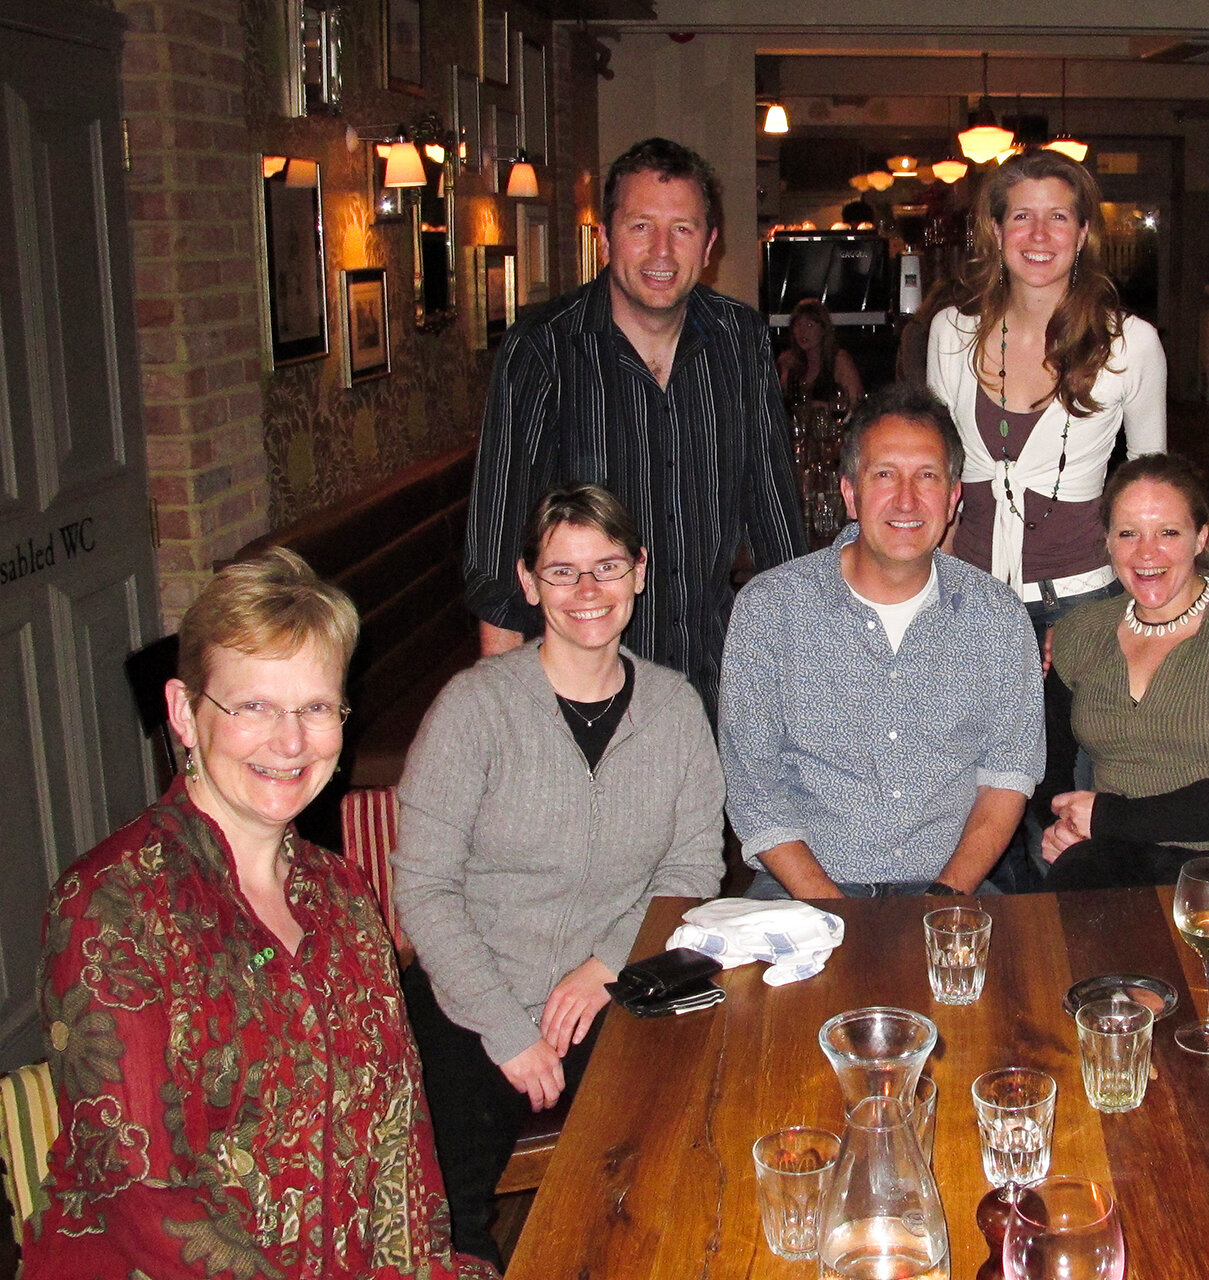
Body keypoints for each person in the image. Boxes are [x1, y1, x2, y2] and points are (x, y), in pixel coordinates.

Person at [27, 550, 491, 1279]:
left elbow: (400, 1132)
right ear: (184, 712)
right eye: (253, 707)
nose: (290, 741)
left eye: (315, 707)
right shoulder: (112, 905)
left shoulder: (342, 894)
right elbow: (143, 1196)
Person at [398, 484, 724, 1267]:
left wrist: (603, 964)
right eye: (562, 572)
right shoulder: (474, 709)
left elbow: (693, 868)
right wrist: (506, 1030)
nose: (587, 592)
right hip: (472, 991)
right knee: (446, 1217)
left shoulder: (675, 710)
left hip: (616, 985)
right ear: (527, 582)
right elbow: (424, 888)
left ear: (639, 573)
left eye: (607, 567)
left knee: (670, 1167)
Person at [463, 136, 805, 720]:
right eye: (641, 226)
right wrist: (509, 719)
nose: (662, 252)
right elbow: (499, 554)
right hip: (584, 692)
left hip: (718, 685)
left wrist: (800, 680)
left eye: (683, 229)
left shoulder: (741, 340)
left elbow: (777, 526)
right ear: (604, 238)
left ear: (710, 243)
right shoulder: (544, 349)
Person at [719, 383, 1043, 898]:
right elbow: (756, 790)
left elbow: (1008, 774)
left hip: (952, 886)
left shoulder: (995, 616)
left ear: (954, 496)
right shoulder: (770, 610)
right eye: (885, 475)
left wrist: (947, 895)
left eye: (928, 477)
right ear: (850, 493)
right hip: (801, 889)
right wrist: (835, 911)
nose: (907, 499)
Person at [1038, 453, 1209, 970]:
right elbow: (1046, 761)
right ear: (1108, 542)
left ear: (1202, 537)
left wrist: (1110, 817)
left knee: (1173, 991)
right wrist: (1059, 822)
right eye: (1128, 534)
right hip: (1118, 855)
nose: (1146, 554)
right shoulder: (1079, 633)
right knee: (1071, 979)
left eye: (1169, 533)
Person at [925, 147, 1167, 642]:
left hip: (1081, 604)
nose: (1039, 235)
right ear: (997, 232)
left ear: (1081, 234)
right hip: (968, 600)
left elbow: (1154, 496)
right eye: (1022, 216)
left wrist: (1110, 621)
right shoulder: (950, 335)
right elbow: (937, 477)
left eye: (1057, 217)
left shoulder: (1130, 342)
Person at [776, 297, 863, 408]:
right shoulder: (789, 362)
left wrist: (822, 407)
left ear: (823, 329)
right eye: (798, 325)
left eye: (809, 325)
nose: (802, 332)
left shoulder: (839, 360)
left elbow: (856, 405)